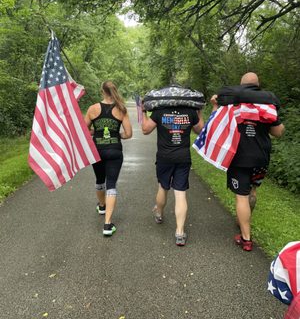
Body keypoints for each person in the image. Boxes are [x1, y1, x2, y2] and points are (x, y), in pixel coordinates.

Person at [211, 72, 284, 251]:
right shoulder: (267, 107)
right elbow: (278, 132)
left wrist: (214, 105)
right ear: (257, 85)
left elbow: (214, 124)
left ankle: (246, 239)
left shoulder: (231, 104)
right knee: (252, 191)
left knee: (241, 196)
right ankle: (244, 221)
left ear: (241, 85)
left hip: (239, 158)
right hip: (261, 157)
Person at [142, 103, 204, 246]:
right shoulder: (190, 111)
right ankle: (180, 233)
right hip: (183, 157)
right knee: (180, 193)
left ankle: (159, 214)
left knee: (163, 187)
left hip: (164, 157)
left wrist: (144, 112)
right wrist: (199, 112)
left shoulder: (159, 111)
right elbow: (200, 130)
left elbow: (145, 130)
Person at [85, 80, 132, 236]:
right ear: (114, 90)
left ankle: (102, 205)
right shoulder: (121, 109)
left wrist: (96, 132)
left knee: (100, 180)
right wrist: (116, 135)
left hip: (97, 151)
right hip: (114, 151)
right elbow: (129, 134)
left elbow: (85, 130)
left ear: (102, 91)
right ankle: (107, 224)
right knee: (111, 184)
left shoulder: (92, 109)